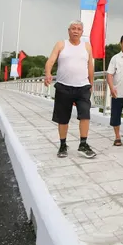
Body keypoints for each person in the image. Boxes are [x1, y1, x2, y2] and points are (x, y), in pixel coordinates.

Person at [44, 20, 97, 158]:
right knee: (63, 118)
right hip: (63, 86)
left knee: (85, 114)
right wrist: (48, 74)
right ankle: (62, 145)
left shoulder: (87, 46)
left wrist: (91, 83)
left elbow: (90, 66)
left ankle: (83, 144)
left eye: (78, 29)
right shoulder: (61, 44)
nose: (75, 31)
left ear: (82, 32)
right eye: (73, 28)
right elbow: (50, 61)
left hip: (83, 87)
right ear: (69, 31)